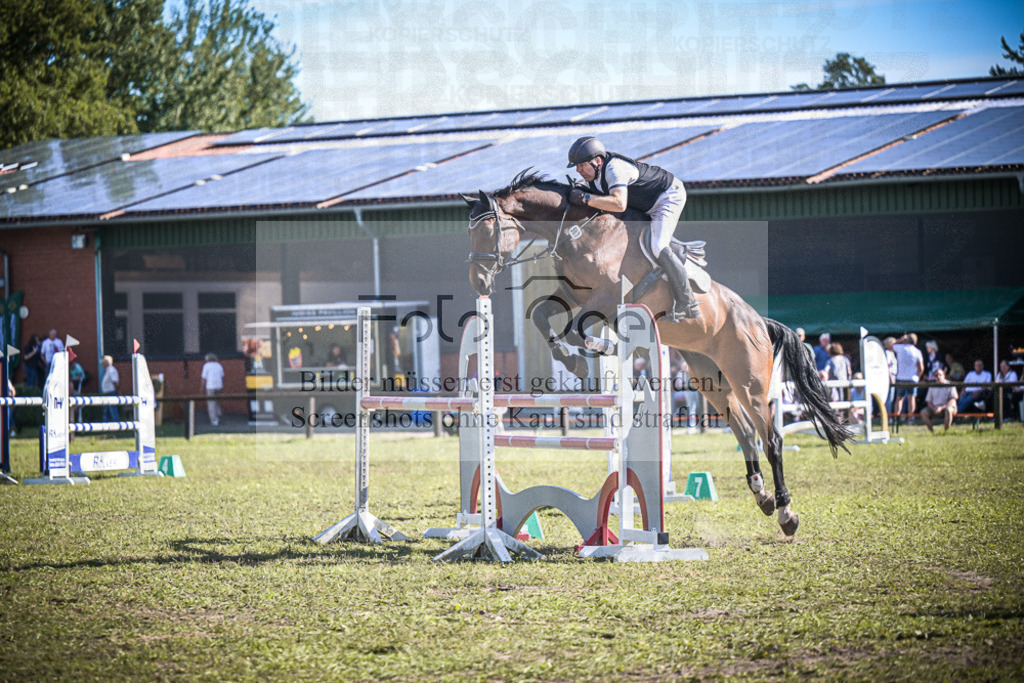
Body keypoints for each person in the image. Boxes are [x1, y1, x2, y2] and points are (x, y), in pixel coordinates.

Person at [565, 136, 698, 320]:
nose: (579, 171)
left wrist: (587, 198)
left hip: (667, 196)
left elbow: (619, 204)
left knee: (658, 245)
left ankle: (688, 303)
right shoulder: (593, 176)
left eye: (581, 165)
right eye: (577, 167)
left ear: (597, 161)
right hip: (643, 204)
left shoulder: (614, 168)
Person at [892, 333, 924, 420]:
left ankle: (896, 418)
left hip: (900, 378)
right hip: (912, 378)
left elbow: (891, 345)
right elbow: (921, 368)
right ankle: (910, 418)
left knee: (899, 398)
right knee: (911, 398)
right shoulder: (917, 351)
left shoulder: (900, 348)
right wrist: (918, 377)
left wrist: (900, 339)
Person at [921, 368, 958, 433]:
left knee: (948, 410)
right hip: (935, 408)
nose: (938, 377)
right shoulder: (932, 386)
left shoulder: (950, 384)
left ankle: (946, 432)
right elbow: (928, 401)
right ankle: (932, 432)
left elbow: (953, 399)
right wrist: (934, 408)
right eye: (936, 375)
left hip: (948, 407)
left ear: (944, 376)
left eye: (940, 375)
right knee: (923, 412)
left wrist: (942, 407)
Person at [201, 353, 225, 427]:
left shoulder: (206, 366)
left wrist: (201, 387)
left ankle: (214, 419)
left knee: (211, 403)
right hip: (218, 385)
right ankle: (218, 414)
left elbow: (204, 377)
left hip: (210, 386)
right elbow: (222, 375)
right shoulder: (219, 365)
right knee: (217, 400)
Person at [100, 355, 120, 422]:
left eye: (103, 362)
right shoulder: (108, 370)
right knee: (107, 411)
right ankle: (105, 425)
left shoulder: (111, 370)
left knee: (113, 410)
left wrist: (117, 391)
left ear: (106, 363)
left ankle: (116, 425)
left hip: (111, 393)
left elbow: (115, 382)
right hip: (108, 393)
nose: (102, 364)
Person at [883, 337, 898, 415]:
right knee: (889, 398)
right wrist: (891, 377)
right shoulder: (887, 353)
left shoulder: (892, 353)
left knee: (891, 397)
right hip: (890, 376)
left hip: (893, 375)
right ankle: (887, 415)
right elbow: (887, 366)